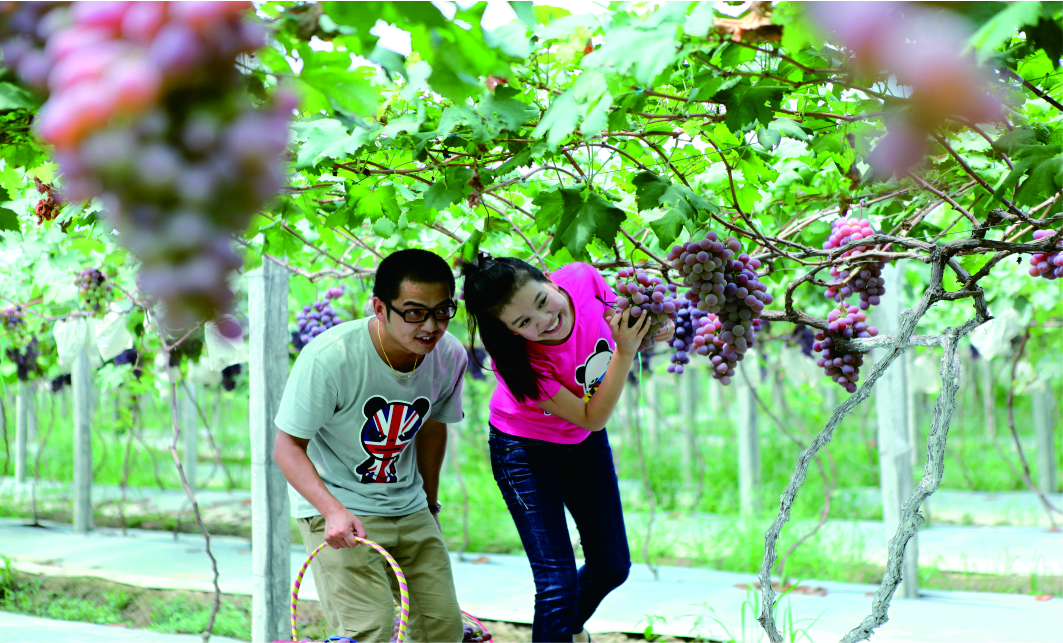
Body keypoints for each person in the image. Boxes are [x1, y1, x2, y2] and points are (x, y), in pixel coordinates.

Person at [462, 255, 673, 642]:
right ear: (509, 331)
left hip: (581, 444)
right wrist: (626, 352)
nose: (543, 321)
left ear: (550, 280)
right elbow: (593, 416)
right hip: (524, 451)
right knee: (556, 582)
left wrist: (658, 325)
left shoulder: (582, 278)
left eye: (542, 302)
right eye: (524, 322)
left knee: (611, 567)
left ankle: (568, 632)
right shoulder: (519, 365)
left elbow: (626, 320)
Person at [273, 249, 467, 643]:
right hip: (339, 508)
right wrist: (332, 512)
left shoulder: (449, 356)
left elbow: (430, 424)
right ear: (380, 308)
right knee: (370, 630)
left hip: (409, 506)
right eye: (414, 312)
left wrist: (430, 503)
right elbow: (286, 448)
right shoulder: (330, 358)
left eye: (443, 311)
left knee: (443, 630)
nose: (431, 326)